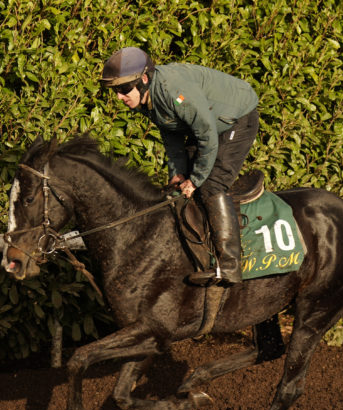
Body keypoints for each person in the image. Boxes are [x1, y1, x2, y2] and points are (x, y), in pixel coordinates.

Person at [100, 47, 259, 286]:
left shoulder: (172, 91)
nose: (120, 97)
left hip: (236, 118)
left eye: (123, 90)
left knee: (211, 184)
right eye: (116, 92)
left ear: (143, 80)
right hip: (209, 123)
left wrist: (195, 180)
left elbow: (206, 133)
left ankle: (230, 265)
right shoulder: (148, 97)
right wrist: (178, 174)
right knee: (180, 189)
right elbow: (171, 135)